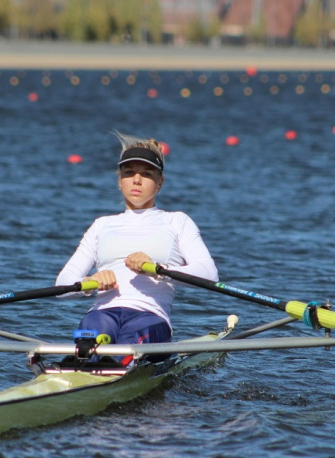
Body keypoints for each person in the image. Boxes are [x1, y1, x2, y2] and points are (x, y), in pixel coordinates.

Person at [55, 131, 218, 364]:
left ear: (160, 182)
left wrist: (157, 269)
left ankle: (109, 368)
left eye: (147, 174)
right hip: (102, 314)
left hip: (150, 316)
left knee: (132, 339)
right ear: (119, 181)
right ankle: (84, 365)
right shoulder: (102, 225)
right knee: (92, 329)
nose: (137, 180)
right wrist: (90, 282)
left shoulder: (177, 221)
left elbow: (209, 273)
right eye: (129, 173)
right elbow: (62, 284)